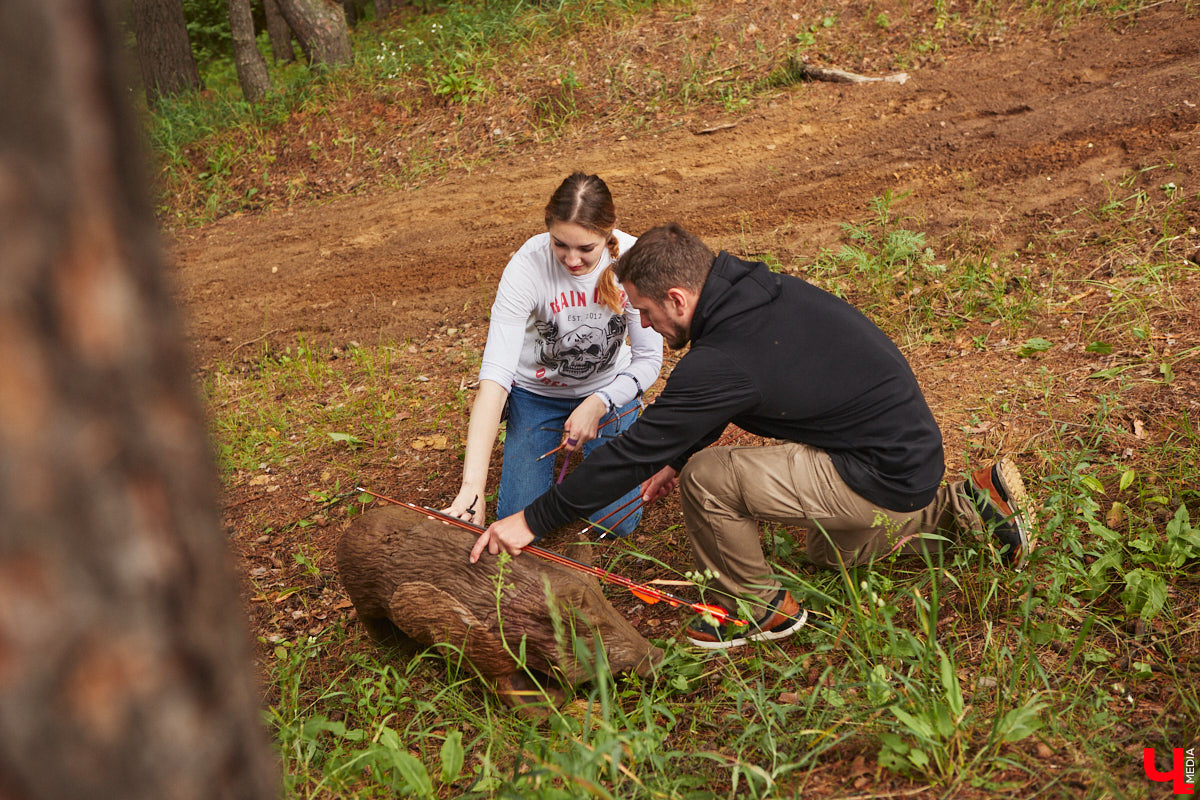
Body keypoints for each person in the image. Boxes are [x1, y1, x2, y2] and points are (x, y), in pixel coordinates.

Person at [469, 222, 1032, 650]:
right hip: (903, 453)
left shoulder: (721, 360)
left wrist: (530, 521)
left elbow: (633, 453)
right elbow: (724, 399)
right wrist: (676, 451)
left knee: (708, 479)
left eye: (643, 310)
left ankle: (757, 609)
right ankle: (968, 502)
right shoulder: (751, 292)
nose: (642, 326)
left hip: (880, 468)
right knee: (831, 554)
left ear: (678, 300)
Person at [444, 173, 663, 539]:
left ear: (609, 232)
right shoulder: (526, 267)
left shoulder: (633, 259)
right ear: (548, 229)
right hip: (538, 396)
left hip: (610, 391)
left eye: (586, 249)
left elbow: (648, 359)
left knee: (617, 522)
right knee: (518, 515)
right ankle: (560, 444)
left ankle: (612, 437)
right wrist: (472, 487)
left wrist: (600, 401)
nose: (572, 260)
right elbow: (495, 380)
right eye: (560, 244)